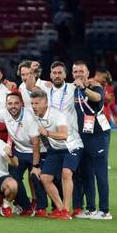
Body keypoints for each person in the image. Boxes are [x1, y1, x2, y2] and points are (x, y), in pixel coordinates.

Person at [0, 92, 47, 217]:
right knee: (13, 175)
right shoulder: (4, 113)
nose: (13, 106)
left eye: (16, 103)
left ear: (22, 104)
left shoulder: (29, 116)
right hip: (20, 151)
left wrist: (36, 166)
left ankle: (41, 207)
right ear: (6, 105)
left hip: (37, 151)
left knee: (36, 176)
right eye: (10, 103)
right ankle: (26, 207)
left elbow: (36, 143)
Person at [72, 61, 112, 220]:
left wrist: (83, 88)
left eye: (81, 71)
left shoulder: (95, 87)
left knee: (100, 174)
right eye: (75, 71)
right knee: (86, 175)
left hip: (97, 137)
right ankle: (90, 208)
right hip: (82, 138)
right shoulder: (74, 89)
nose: (78, 74)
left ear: (88, 73)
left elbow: (96, 97)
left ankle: (104, 211)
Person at [30, 90, 76, 220]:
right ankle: (61, 210)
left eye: (37, 103)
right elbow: (36, 142)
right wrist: (36, 165)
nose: (34, 106)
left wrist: (47, 133)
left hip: (71, 147)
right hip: (55, 150)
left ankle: (66, 210)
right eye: (32, 103)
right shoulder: (35, 116)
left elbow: (64, 135)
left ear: (45, 103)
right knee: (45, 178)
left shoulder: (57, 115)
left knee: (66, 173)